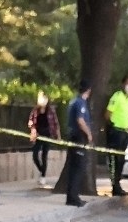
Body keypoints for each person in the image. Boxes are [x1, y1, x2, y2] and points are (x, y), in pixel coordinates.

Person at [105, 75, 128, 197]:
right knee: (114, 160)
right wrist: (111, 127)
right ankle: (114, 186)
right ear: (123, 84)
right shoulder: (116, 96)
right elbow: (108, 113)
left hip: (125, 131)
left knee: (121, 161)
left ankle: (118, 184)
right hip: (116, 131)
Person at [65, 80, 94, 208]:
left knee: (73, 168)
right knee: (78, 168)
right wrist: (88, 134)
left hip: (72, 136)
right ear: (88, 90)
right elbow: (80, 120)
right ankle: (74, 197)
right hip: (78, 137)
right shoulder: (80, 103)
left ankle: (71, 196)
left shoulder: (73, 101)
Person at [28, 91, 60, 185]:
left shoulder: (50, 110)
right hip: (38, 135)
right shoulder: (35, 111)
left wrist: (58, 136)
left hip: (47, 134)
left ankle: (43, 176)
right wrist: (32, 129)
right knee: (35, 156)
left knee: (44, 156)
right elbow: (30, 121)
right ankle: (42, 170)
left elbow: (55, 123)